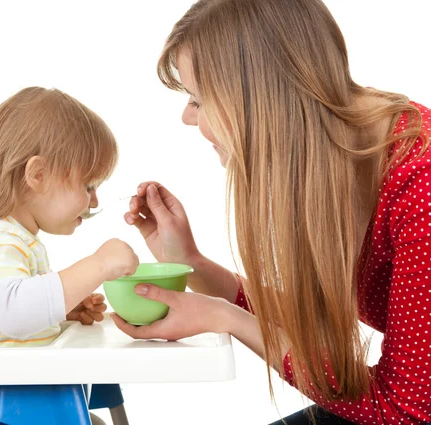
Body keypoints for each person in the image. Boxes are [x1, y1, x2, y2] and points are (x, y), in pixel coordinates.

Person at [112, 0, 431, 423]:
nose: (188, 117)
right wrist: (191, 263)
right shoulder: (336, 159)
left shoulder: (420, 181)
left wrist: (228, 319)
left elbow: (404, 411)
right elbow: (317, 323)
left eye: (198, 99)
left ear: (259, 99)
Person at [0, 86, 138, 350]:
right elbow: (13, 314)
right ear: (38, 175)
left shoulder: (6, 233)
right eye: (88, 186)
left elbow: (5, 318)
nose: (95, 201)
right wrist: (99, 265)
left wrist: (58, 310)